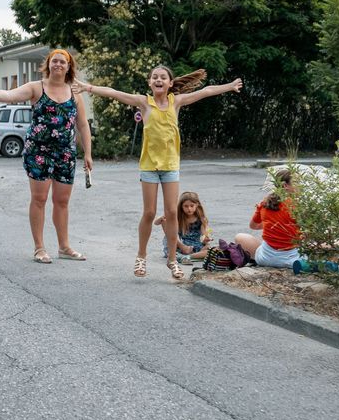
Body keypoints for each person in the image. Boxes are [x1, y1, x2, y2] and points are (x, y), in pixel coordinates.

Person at [72, 66, 241, 279]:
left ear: (170, 83)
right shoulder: (144, 102)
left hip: (170, 166)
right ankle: (141, 257)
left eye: (163, 77)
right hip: (149, 166)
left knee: (171, 213)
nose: (158, 80)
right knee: (149, 213)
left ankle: (172, 260)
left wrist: (230, 86)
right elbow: (115, 93)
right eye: (154, 77)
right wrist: (88, 87)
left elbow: (206, 91)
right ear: (150, 83)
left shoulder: (176, 102)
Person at [0, 49, 93, 264]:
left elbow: (83, 124)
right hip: (38, 152)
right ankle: (39, 248)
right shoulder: (36, 88)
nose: (58, 65)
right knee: (40, 199)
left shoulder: (75, 92)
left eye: (62, 62)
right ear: (48, 64)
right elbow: (9, 95)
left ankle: (64, 246)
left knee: (62, 201)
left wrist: (88, 153)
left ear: (68, 66)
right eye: (54, 61)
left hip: (65, 153)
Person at [234, 169, 301, 268]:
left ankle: (260, 260)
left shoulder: (264, 203)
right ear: (285, 186)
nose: (301, 186)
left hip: (265, 258)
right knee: (327, 243)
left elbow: (253, 226)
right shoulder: (298, 206)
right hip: (293, 258)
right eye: (297, 183)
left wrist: (272, 223)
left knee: (239, 237)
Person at [154, 191, 211, 264]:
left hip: (194, 245)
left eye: (192, 206)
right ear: (181, 206)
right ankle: (181, 254)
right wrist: (163, 217)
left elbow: (204, 235)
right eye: (186, 206)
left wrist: (206, 239)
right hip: (178, 243)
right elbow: (156, 223)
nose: (189, 209)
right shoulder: (178, 217)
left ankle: (187, 257)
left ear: (196, 205)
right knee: (165, 221)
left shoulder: (201, 219)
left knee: (210, 250)